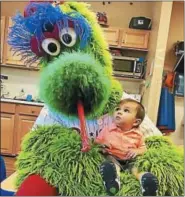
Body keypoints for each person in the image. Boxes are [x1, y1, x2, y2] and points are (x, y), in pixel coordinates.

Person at [95, 98, 159, 196]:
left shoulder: (138, 134)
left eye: (126, 110)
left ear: (135, 122)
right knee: (111, 163)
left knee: (136, 168)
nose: (119, 112)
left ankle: (145, 180)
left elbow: (144, 149)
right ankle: (113, 181)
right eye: (117, 109)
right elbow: (96, 143)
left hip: (130, 159)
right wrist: (102, 147)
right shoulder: (107, 130)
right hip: (113, 157)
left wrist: (137, 151)